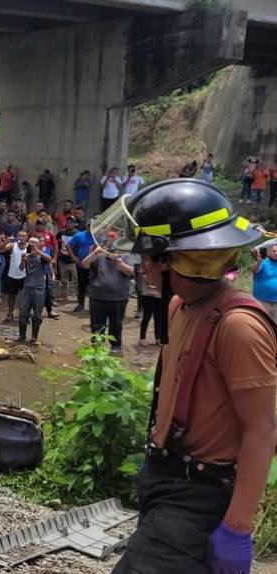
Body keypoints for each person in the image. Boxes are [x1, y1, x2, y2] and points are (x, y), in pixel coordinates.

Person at [112, 179, 276, 574]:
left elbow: (263, 429)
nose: (144, 267)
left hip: (198, 496)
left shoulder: (238, 326)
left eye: (150, 258)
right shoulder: (178, 307)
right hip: (163, 480)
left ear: (176, 261)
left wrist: (237, 527)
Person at [81, 231, 134, 352]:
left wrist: (118, 261)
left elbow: (131, 272)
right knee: (97, 324)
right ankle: (97, 346)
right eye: (108, 238)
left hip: (118, 296)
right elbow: (84, 264)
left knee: (116, 324)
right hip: (98, 295)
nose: (110, 240)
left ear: (119, 239)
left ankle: (115, 346)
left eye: (113, 237)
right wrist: (95, 253)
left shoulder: (125, 253)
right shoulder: (99, 252)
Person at [17, 236, 50, 344]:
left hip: (39, 288)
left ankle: (34, 337)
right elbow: (21, 268)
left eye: (34, 244)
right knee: (23, 313)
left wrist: (38, 251)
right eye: (30, 245)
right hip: (27, 287)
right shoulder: (26, 256)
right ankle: (22, 335)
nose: (32, 247)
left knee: (37, 314)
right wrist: (23, 259)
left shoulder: (41, 257)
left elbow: (49, 259)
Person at [68, 213, 96, 313]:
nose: (90, 227)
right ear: (86, 226)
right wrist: (73, 257)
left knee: (94, 285)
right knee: (82, 285)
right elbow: (68, 245)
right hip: (81, 264)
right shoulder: (79, 235)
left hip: (95, 265)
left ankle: (93, 306)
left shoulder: (98, 235)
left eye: (92, 225)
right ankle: (80, 304)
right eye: (89, 225)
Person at [32, 219, 60, 318]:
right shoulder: (32, 250)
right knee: (36, 292)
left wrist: (52, 273)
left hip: (45, 271)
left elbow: (48, 260)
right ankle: (36, 311)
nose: (42, 242)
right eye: (40, 240)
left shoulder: (47, 248)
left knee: (47, 290)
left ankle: (49, 310)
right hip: (35, 273)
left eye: (44, 240)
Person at [3, 230, 28, 322]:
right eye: (20, 236)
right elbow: (3, 248)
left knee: (24, 297)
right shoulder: (13, 245)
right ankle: (10, 313)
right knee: (11, 296)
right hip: (12, 274)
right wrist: (7, 241)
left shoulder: (28, 247)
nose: (21, 237)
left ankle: (23, 314)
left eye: (23, 236)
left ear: (26, 237)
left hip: (24, 275)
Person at [138, 263, 164, 346]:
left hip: (159, 296)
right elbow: (143, 274)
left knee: (158, 318)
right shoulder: (146, 265)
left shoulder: (163, 266)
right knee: (146, 317)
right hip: (148, 295)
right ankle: (142, 338)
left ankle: (158, 338)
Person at [252, 243, 277, 322]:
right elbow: (254, 270)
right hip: (263, 301)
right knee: (261, 324)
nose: (276, 253)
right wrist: (259, 262)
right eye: (274, 251)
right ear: (269, 252)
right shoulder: (263, 262)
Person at [56, 218, 79, 303]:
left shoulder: (77, 233)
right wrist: (57, 251)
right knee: (64, 279)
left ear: (74, 224)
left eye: (71, 222)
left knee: (77, 279)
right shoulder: (61, 232)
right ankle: (65, 295)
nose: (69, 224)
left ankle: (78, 296)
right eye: (68, 222)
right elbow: (55, 241)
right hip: (63, 259)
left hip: (73, 261)